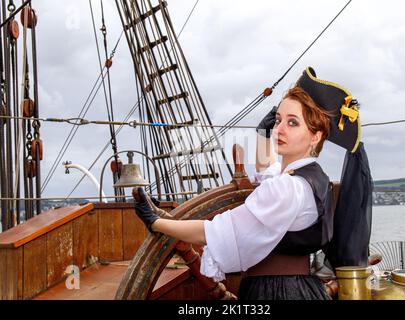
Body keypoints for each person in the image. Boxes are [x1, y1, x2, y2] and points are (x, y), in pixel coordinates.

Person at [134, 67, 360, 300]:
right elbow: (269, 173)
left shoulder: (289, 188)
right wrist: (263, 134)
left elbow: (213, 232)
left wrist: (157, 223)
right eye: (279, 120)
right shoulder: (310, 178)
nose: (280, 129)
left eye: (293, 123)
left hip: (277, 293)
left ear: (316, 135)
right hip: (298, 289)